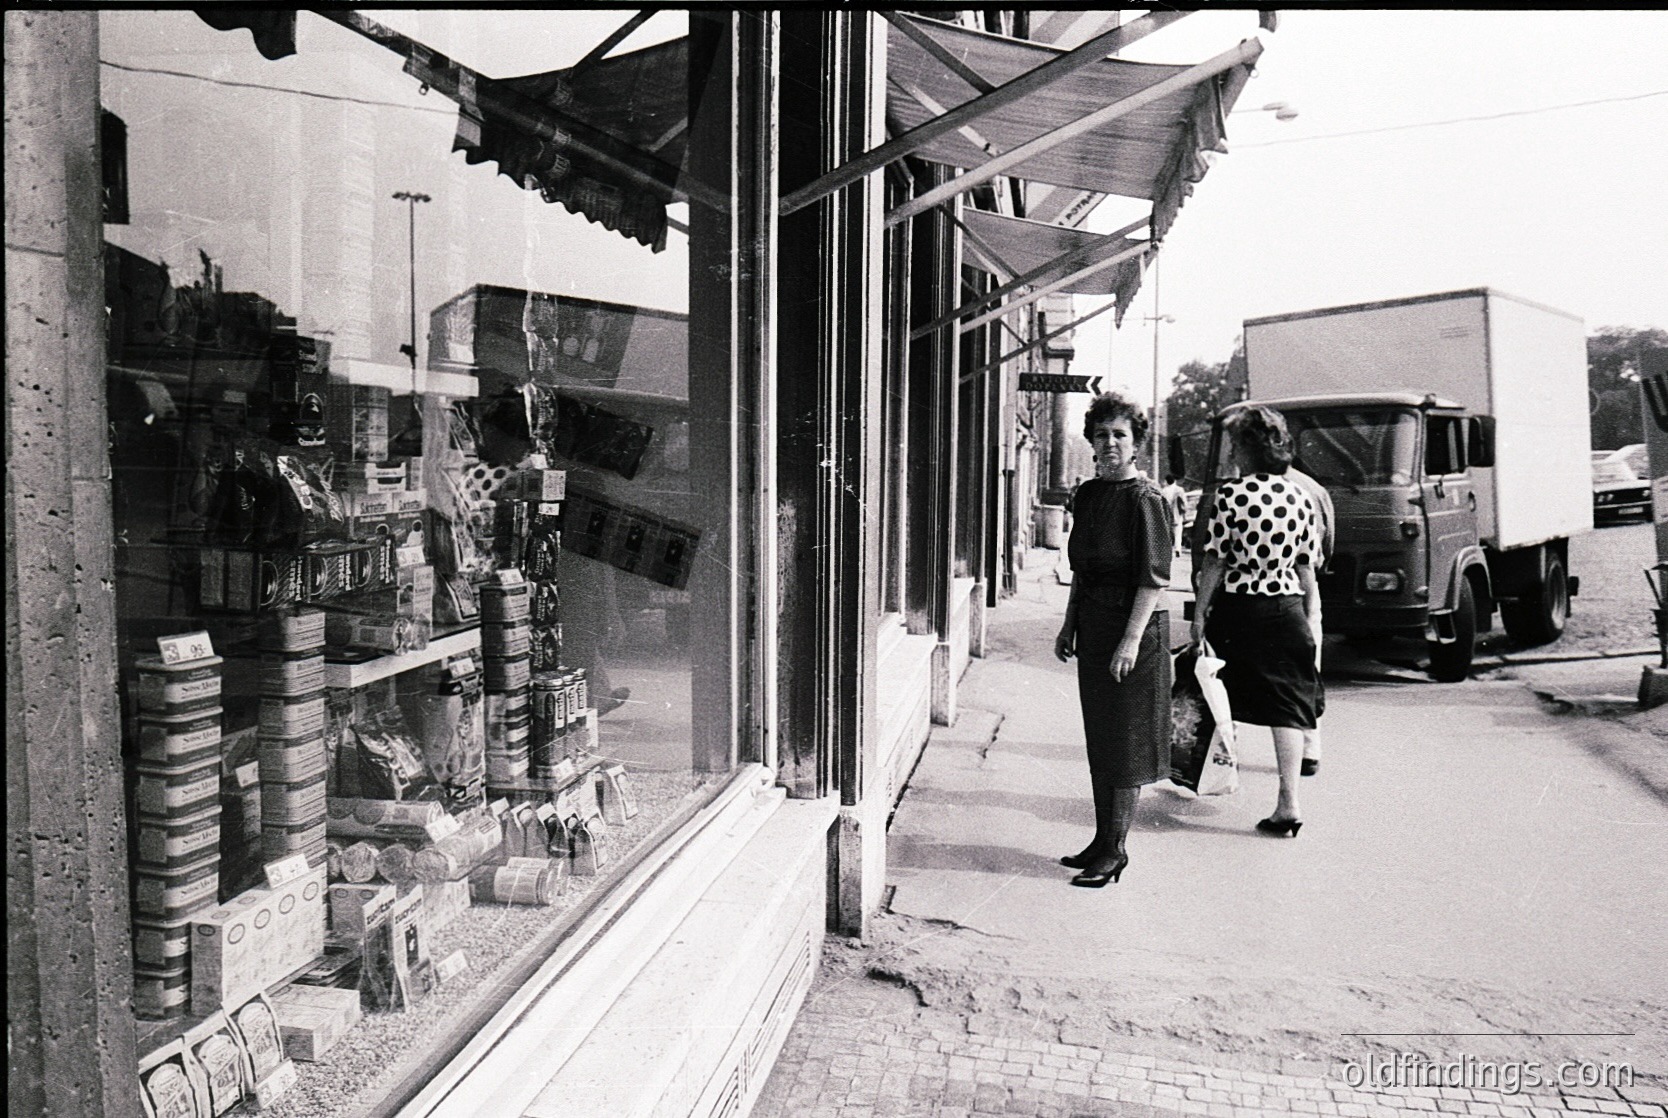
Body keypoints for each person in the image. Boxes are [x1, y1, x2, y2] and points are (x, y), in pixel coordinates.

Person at [1053, 392, 1174, 887]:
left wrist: (1129, 640)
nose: (1108, 443)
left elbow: (1153, 579)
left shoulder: (1146, 501)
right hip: (1096, 627)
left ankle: (1116, 850)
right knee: (1101, 739)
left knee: (1125, 742)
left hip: (1135, 633)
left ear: (1136, 443)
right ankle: (1101, 841)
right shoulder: (1088, 495)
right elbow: (1081, 570)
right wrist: (1069, 623)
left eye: (1119, 435)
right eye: (1101, 434)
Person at [1190, 405, 1323, 837]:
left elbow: (1214, 561)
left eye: (1235, 445)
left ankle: (1204, 777)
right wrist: (1309, 618)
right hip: (1286, 609)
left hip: (1239, 610)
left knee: (1214, 694)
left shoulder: (1231, 496)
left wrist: (1199, 614)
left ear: (1248, 449)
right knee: (1286, 707)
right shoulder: (1302, 498)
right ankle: (1289, 802)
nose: (1231, 453)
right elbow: (1307, 568)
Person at [1283, 463, 1334, 776]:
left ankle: (1227, 748)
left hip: (1252, 596)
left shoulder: (1239, 486)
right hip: (1304, 591)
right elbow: (1326, 550)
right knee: (1305, 672)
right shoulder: (1314, 489)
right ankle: (1309, 750)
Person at [1160, 474, 1188, 555]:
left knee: (1167, 532)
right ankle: (1177, 549)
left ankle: (1166, 549)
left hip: (1167, 513)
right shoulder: (1180, 490)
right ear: (1174, 481)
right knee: (1178, 532)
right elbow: (1184, 502)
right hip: (1177, 513)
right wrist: (1185, 511)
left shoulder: (1164, 490)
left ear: (1167, 481)